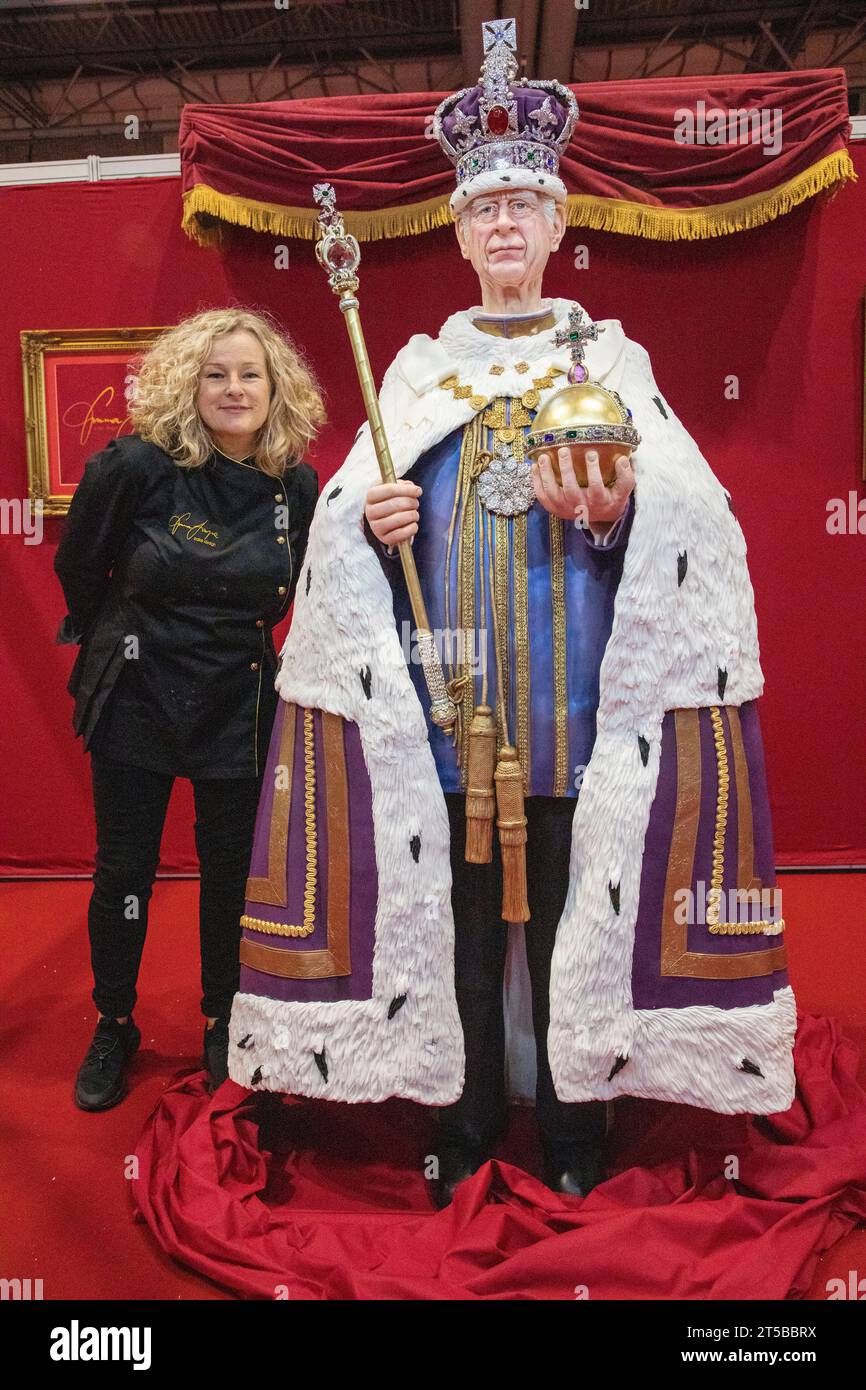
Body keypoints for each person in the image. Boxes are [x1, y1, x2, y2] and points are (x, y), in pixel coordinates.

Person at [227, 20, 795, 1209]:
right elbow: (348, 541)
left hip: (577, 709)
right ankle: (467, 1112)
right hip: (449, 707)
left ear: (556, 227)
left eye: (524, 210)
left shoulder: (612, 363)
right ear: (457, 230)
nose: (502, 229)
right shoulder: (416, 374)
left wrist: (615, 507)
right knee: (465, 927)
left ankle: (575, 1122)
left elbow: (691, 527)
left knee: (575, 916)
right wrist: (369, 523)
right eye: (483, 212)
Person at [54, 308, 324, 1110]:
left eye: (249, 374)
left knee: (230, 875)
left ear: (276, 389)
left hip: (237, 698)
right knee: (125, 871)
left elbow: (306, 589)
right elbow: (81, 566)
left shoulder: (296, 484)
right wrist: (126, 637)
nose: (234, 388)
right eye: (216, 374)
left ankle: (222, 1017)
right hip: (136, 693)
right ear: (188, 385)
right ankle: (113, 1022)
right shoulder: (136, 467)